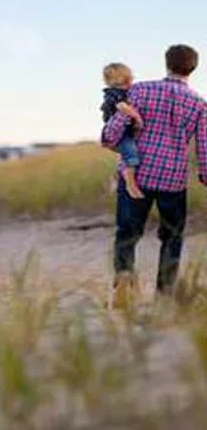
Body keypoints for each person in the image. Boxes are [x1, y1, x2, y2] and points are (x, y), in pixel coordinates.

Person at [101, 44, 207, 308]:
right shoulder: (199, 104)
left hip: (137, 175)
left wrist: (111, 137)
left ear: (166, 63)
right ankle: (164, 296)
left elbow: (111, 134)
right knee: (172, 236)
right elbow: (204, 147)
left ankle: (123, 281)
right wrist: (205, 176)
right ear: (193, 69)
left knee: (127, 233)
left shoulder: (140, 90)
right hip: (173, 179)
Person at [100, 62, 145, 199]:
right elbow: (122, 107)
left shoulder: (124, 92)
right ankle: (130, 185)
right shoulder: (115, 93)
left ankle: (117, 177)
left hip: (124, 131)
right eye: (129, 77)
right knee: (132, 157)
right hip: (120, 133)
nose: (131, 80)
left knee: (124, 156)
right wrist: (137, 117)